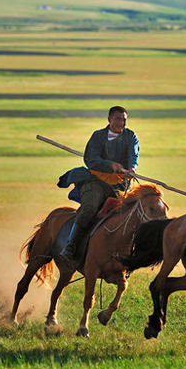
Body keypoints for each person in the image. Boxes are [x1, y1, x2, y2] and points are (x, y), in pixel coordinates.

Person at [57, 106, 139, 267]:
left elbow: (133, 155)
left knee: (129, 214)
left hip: (119, 184)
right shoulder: (98, 136)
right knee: (90, 208)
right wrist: (110, 165)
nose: (121, 122)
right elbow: (91, 159)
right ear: (109, 120)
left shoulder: (131, 137)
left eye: (123, 119)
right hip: (95, 181)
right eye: (117, 119)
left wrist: (132, 168)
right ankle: (70, 246)